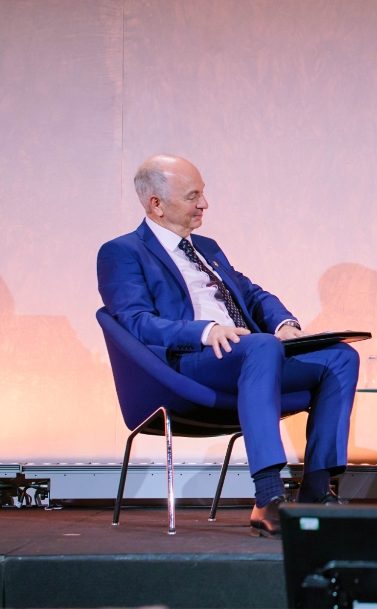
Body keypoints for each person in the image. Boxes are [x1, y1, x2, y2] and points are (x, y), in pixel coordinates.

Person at [97, 154, 358, 537]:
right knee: (262, 347)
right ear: (157, 204)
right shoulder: (122, 252)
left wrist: (285, 325)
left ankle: (317, 490)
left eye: (202, 194)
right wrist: (204, 331)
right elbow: (135, 321)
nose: (204, 204)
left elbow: (251, 294)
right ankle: (268, 496)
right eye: (193, 196)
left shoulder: (207, 247)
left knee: (340, 357)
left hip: (251, 356)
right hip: (188, 365)